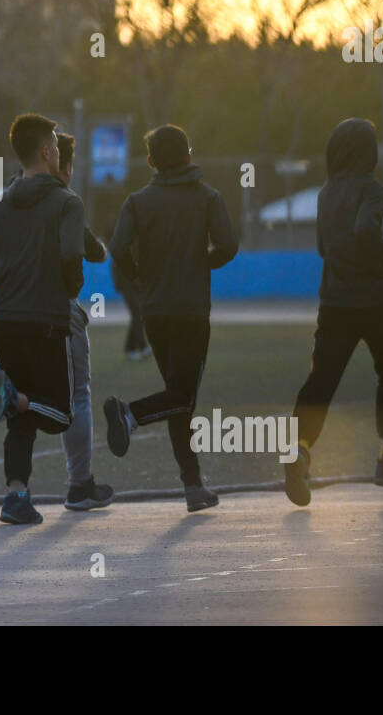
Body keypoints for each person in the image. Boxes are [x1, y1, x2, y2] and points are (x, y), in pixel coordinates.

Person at [0, 132, 114, 513]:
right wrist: (87, 265)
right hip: (52, 314)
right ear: (56, 160)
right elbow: (83, 251)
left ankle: (15, 493)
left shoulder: (0, 203)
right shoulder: (65, 202)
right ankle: (80, 484)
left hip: (4, 317)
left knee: (19, 404)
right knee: (69, 401)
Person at [282, 117, 383, 506]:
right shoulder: (373, 190)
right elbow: (365, 232)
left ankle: (300, 449)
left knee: (320, 381)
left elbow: (325, 247)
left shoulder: (326, 192)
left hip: (334, 301)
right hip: (374, 300)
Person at [104, 124, 238, 512]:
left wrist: (137, 275)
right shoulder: (208, 197)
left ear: (150, 162)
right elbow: (229, 244)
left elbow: (116, 247)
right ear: (190, 156)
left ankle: (193, 486)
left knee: (178, 399)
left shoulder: (137, 201)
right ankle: (129, 413)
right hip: (193, 311)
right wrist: (203, 264)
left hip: (155, 312)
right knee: (183, 396)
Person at [112, 256, 150, 360]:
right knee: (137, 313)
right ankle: (142, 346)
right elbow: (117, 256)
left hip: (135, 284)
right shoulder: (124, 243)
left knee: (138, 314)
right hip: (126, 284)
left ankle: (130, 348)